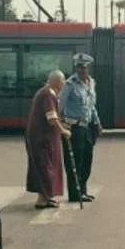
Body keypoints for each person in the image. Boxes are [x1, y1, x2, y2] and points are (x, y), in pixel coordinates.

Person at [59, 53, 102, 203]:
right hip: (74, 128)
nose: (82, 69)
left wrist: (97, 122)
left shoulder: (91, 83)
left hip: (88, 127)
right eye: (79, 67)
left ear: (88, 68)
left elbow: (91, 106)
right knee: (74, 163)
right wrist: (62, 124)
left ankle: (83, 190)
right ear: (76, 68)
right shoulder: (69, 85)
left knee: (87, 161)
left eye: (84, 67)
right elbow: (60, 106)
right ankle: (75, 194)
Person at [25, 70, 71, 210]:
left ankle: (46, 197)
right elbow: (51, 118)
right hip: (43, 139)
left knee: (45, 166)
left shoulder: (44, 92)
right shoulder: (48, 94)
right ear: (57, 82)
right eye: (63, 81)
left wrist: (61, 125)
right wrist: (63, 130)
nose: (64, 84)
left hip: (40, 137)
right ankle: (42, 200)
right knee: (46, 167)